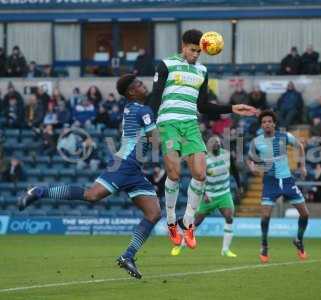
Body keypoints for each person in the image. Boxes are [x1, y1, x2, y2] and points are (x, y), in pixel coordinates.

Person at [18, 74, 161, 280]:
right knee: (92, 195)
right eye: (138, 84)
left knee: (154, 213)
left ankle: (128, 256)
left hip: (133, 169)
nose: (142, 85)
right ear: (131, 92)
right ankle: (40, 191)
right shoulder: (143, 110)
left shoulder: (133, 107)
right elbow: (155, 142)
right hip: (125, 164)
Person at [152, 29, 256, 249]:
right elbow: (155, 97)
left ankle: (188, 223)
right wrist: (149, 125)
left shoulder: (202, 71)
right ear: (183, 46)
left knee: (200, 174)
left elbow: (203, 106)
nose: (196, 55)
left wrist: (231, 108)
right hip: (168, 123)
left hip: (190, 125)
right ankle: (171, 220)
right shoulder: (166, 65)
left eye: (199, 51)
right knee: (175, 173)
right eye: (193, 50)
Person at [247, 110, 309, 263]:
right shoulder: (257, 141)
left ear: (274, 123)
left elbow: (300, 146)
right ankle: (264, 245)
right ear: (261, 125)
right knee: (265, 215)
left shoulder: (284, 136)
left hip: (287, 180)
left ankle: (299, 240)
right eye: (264, 122)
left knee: (305, 214)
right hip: (270, 181)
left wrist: (302, 166)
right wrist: (252, 167)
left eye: (269, 121)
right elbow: (249, 159)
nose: (266, 124)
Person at [170, 136, 241, 258]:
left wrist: (240, 186)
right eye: (213, 142)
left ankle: (225, 249)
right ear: (208, 146)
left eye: (218, 142)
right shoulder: (205, 159)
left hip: (224, 193)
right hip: (209, 195)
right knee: (196, 223)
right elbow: (199, 179)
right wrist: (205, 193)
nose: (216, 144)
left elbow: (234, 170)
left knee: (229, 217)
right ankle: (180, 245)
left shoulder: (227, 155)